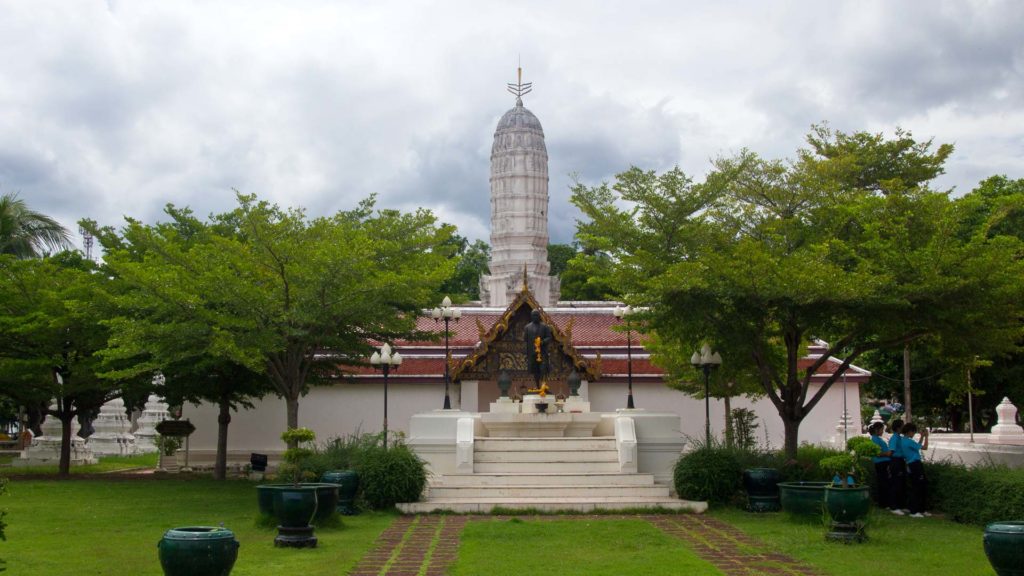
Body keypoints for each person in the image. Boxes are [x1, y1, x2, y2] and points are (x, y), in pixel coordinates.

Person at [902, 422, 931, 518]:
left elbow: (917, 447)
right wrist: (926, 437)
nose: (914, 434)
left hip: (911, 464)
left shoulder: (904, 441)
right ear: (910, 431)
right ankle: (915, 511)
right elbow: (925, 447)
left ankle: (919, 509)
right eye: (913, 432)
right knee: (918, 487)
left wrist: (922, 437)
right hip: (915, 465)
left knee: (918, 486)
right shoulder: (909, 441)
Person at [523, 309, 552, 386]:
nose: (535, 317)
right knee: (535, 370)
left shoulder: (545, 326)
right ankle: (537, 385)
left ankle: (543, 385)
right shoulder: (527, 327)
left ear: (539, 316)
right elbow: (525, 339)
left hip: (542, 352)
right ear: (531, 317)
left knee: (543, 369)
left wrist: (542, 342)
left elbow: (549, 337)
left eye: (536, 315)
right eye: (533, 315)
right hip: (532, 352)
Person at [868, 421, 892, 508]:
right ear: (877, 430)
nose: (882, 432)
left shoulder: (878, 439)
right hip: (881, 463)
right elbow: (877, 453)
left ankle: (885, 502)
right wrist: (887, 453)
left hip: (884, 462)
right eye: (882, 430)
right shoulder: (874, 439)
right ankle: (883, 503)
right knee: (883, 483)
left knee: (885, 483)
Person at [888, 419, 907, 515]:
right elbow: (891, 452)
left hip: (901, 461)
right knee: (896, 483)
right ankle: (893, 506)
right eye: (903, 426)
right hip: (896, 461)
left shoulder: (900, 437)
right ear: (899, 427)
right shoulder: (894, 438)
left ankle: (900, 505)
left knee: (901, 483)